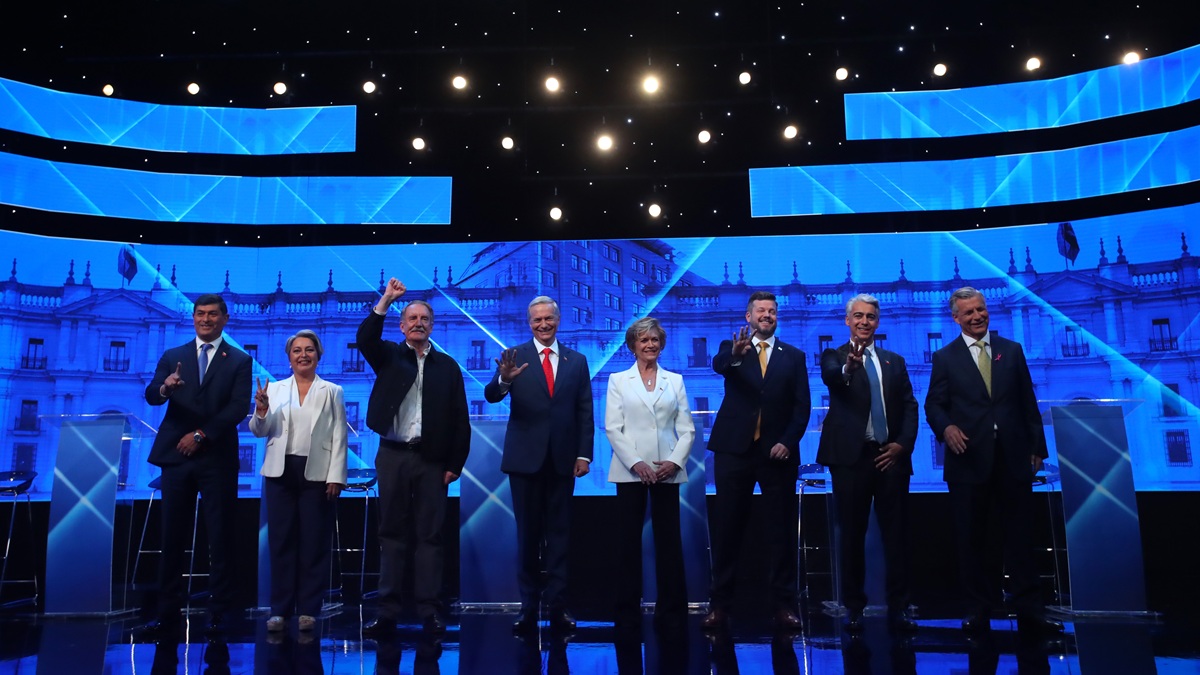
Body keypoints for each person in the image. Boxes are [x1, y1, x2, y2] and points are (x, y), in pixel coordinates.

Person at [925, 287, 1062, 636]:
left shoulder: (1011, 351)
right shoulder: (945, 357)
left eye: (981, 309)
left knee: (1020, 538)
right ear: (955, 318)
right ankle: (977, 610)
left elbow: (1027, 403)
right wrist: (947, 427)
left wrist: (1037, 448)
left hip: (1014, 459)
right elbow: (934, 406)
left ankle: (1030, 610)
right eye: (968, 312)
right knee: (973, 539)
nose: (977, 316)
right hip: (968, 460)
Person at [357, 278, 471, 635]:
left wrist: (455, 464)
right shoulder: (389, 355)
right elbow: (365, 340)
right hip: (391, 456)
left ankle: (429, 611)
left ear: (431, 326)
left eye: (425, 319)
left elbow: (460, 419)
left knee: (429, 537)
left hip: (431, 461)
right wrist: (387, 300)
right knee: (390, 533)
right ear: (402, 325)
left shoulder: (447, 366)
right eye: (412, 318)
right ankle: (388, 611)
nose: (419, 323)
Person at [484, 295, 594, 634]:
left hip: (563, 462)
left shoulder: (577, 361)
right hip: (524, 462)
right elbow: (492, 395)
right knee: (528, 538)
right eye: (537, 320)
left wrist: (583, 454)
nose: (543, 325)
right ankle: (528, 608)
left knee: (559, 538)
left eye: (549, 319)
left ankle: (559, 608)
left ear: (558, 320)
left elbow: (584, 411)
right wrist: (504, 380)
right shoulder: (513, 356)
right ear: (528, 323)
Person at [144, 293, 252, 635]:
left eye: (212, 314)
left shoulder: (238, 360)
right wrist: (165, 387)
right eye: (200, 314)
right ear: (193, 318)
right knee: (172, 535)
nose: (205, 319)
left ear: (224, 318)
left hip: (216, 456)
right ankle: (167, 613)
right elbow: (150, 395)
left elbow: (237, 408)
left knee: (220, 536)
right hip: (176, 456)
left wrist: (202, 435)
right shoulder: (172, 356)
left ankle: (219, 613)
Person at [703, 290, 812, 631]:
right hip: (734, 451)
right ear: (748, 317)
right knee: (728, 530)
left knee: (780, 532)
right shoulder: (731, 347)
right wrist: (736, 356)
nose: (767, 315)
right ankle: (720, 606)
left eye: (772, 311)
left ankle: (784, 606)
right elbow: (720, 365)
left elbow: (801, 407)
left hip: (777, 454)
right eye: (760, 310)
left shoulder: (793, 356)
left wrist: (787, 442)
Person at [817, 294, 919, 633]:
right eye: (858, 316)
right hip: (851, 459)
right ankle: (854, 608)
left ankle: (901, 606)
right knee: (852, 536)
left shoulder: (895, 361)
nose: (864, 322)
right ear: (847, 321)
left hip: (891, 457)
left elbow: (909, 406)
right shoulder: (834, 356)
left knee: (898, 536)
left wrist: (902, 445)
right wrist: (850, 367)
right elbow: (834, 377)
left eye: (871, 317)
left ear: (878, 321)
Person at [250, 330, 348, 633]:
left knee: (313, 543)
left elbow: (339, 436)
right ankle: (279, 609)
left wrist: (336, 476)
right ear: (289, 357)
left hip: (317, 474)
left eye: (309, 350)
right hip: (281, 473)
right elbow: (258, 430)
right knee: (281, 543)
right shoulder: (274, 389)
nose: (303, 355)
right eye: (296, 350)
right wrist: (262, 410)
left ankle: (308, 609)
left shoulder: (332, 391)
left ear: (318, 355)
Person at [604, 317, 695, 633]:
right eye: (644, 340)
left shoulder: (675, 380)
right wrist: (636, 464)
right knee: (627, 543)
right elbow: (613, 428)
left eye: (655, 340)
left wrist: (674, 462)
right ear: (633, 345)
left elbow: (687, 430)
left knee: (669, 543)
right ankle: (626, 611)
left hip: (666, 470)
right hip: (632, 472)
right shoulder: (618, 380)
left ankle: (672, 610)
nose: (650, 345)